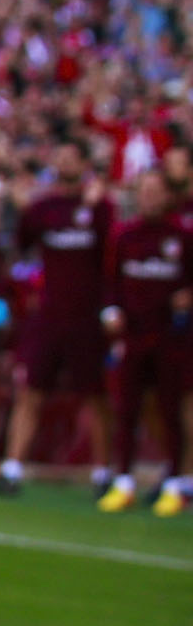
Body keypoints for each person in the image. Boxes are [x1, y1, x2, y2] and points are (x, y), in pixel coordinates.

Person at [0, 141, 115, 498]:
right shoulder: (45, 208)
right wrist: (19, 206)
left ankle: (103, 472)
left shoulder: (98, 207)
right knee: (30, 390)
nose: (63, 161)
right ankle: (12, 469)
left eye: (70, 156)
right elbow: (21, 243)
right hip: (48, 313)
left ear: (83, 163)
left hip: (87, 315)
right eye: (59, 156)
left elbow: (111, 252)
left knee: (95, 394)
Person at [99, 168, 192, 515]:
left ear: (168, 195)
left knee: (172, 411)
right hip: (132, 336)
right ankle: (123, 480)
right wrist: (111, 311)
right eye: (145, 190)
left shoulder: (182, 236)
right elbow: (110, 282)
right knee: (126, 408)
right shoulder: (124, 236)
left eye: (157, 190)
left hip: (172, 337)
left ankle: (175, 482)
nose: (150, 197)